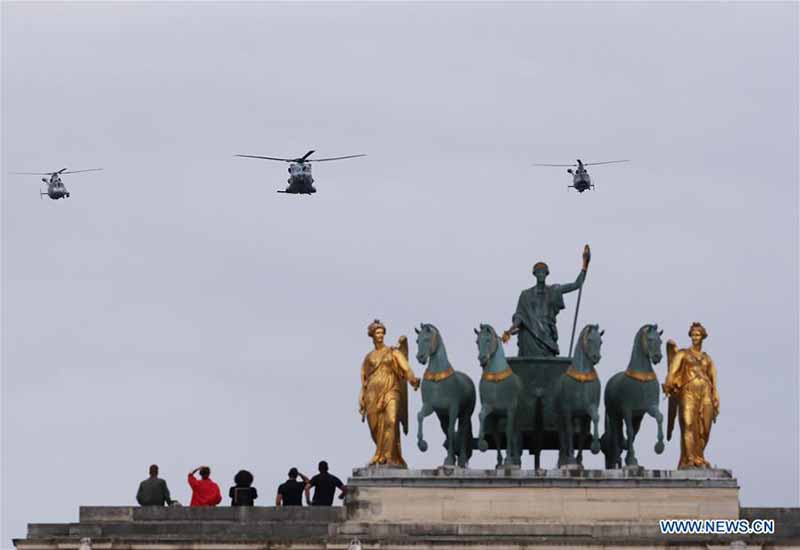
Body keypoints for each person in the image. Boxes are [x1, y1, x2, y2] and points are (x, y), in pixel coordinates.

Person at [502, 245, 590, 357]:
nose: (541, 274)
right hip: (529, 334)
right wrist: (511, 329)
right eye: (538, 272)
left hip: (547, 333)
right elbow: (520, 315)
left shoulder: (554, 290)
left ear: (546, 274)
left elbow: (576, 284)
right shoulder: (525, 295)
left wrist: (585, 266)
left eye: (543, 272)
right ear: (535, 274)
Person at [359, 319, 420, 467]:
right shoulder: (368, 357)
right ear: (372, 336)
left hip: (391, 389)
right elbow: (364, 380)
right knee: (374, 426)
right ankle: (379, 453)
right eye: (377, 333)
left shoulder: (393, 352)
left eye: (381, 333)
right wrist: (362, 396)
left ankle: (389, 456)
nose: (380, 335)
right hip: (372, 394)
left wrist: (412, 379)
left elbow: (405, 368)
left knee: (391, 421)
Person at [663, 322, 720, 469]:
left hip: (705, 393)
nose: (695, 337)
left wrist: (715, 396)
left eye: (698, 335)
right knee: (688, 425)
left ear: (703, 337)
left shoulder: (708, 359)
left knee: (704, 429)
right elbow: (672, 372)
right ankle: (689, 459)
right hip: (688, 393)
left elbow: (714, 380)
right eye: (693, 335)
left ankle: (699, 456)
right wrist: (668, 384)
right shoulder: (682, 354)